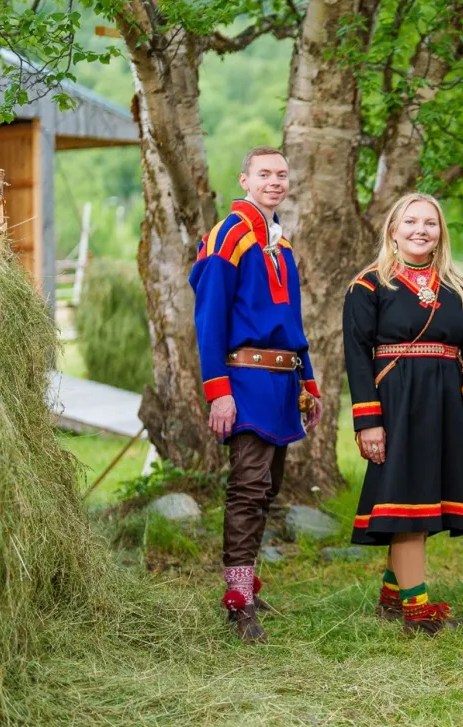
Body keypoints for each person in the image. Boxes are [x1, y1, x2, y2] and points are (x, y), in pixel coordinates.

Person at [343, 192, 463, 635]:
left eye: (430, 223)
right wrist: (368, 422)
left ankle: (393, 598)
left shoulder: (457, 287)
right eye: (411, 222)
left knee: (426, 500)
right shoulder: (368, 286)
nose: (420, 230)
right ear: (393, 230)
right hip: (397, 405)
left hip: (447, 404)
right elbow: (357, 358)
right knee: (407, 504)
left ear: (440, 233)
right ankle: (418, 611)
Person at [190, 146, 323, 643]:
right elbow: (209, 318)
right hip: (244, 381)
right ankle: (238, 601)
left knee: (267, 487)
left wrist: (308, 382)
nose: (275, 181)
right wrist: (218, 391)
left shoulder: (280, 243)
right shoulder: (228, 236)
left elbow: (292, 323)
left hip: (282, 383)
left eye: (281, 174)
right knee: (248, 487)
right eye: (264, 173)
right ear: (244, 180)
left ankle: (246, 586)